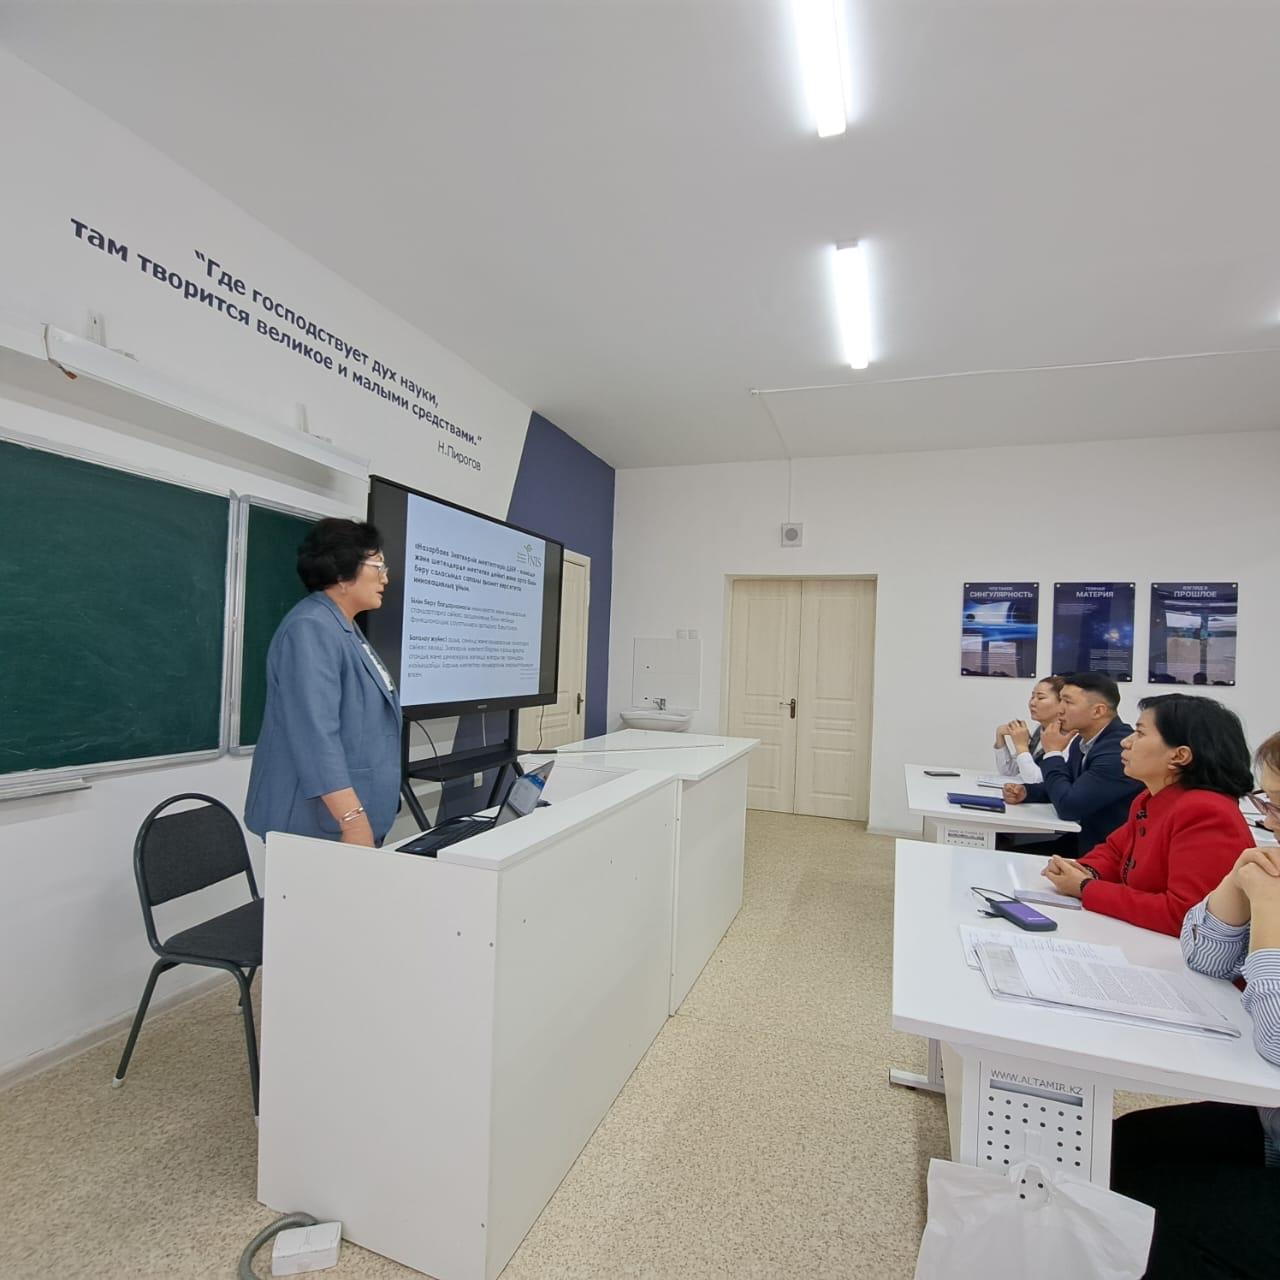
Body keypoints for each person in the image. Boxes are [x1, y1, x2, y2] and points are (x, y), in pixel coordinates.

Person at [1108, 731, 1280, 1278]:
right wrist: (1237, 882)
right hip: (1270, 1122)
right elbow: (1206, 958)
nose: (1269, 823)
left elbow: (1277, 1041)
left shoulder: (1201, 808)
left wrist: (1269, 915)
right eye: (1269, 803)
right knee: (1120, 1147)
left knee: (1173, 1217)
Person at [1039, 694, 1254, 935]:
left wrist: (1085, 887)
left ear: (1179, 756)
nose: (1126, 742)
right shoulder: (1151, 798)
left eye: (1140, 734)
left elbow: (1185, 915)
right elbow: (1115, 851)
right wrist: (1087, 870)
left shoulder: (1206, 812)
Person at [245, 518, 402, 848]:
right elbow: (315, 734)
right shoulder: (311, 627)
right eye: (378, 566)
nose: (385, 578)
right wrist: (353, 820)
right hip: (319, 823)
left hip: (346, 817)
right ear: (342, 573)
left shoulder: (344, 626)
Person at [1003, 672, 1142, 856]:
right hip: (1084, 841)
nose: (1060, 710)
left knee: (1008, 854)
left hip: (1107, 853)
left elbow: (1069, 807)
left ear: (1098, 711)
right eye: (1060, 700)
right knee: (1003, 850)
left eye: (1068, 702)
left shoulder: (1117, 750)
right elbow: (1067, 783)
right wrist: (1027, 792)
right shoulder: (1081, 740)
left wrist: (1052, 753)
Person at [992, 675, 1065, 784]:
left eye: (1040, 698)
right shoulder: (1040, 730)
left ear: (1062, 703)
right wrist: (1000, 736)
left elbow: (1037, 780)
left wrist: (1021, 746)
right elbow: (1010, 772)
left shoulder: (1067, 737)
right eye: (1032, 697)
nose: (1032, 703)